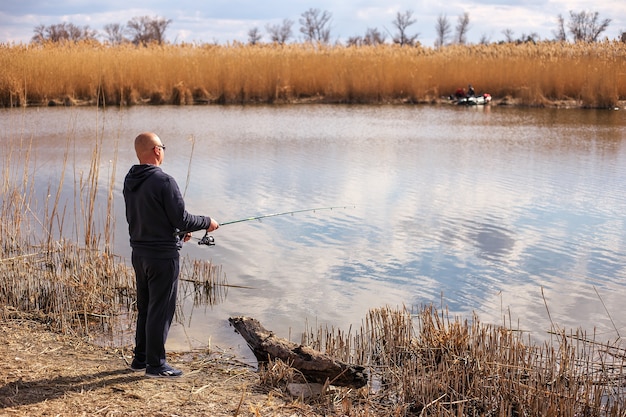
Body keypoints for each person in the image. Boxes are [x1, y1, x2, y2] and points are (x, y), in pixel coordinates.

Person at [123, 132, 219, 378]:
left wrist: (177, 232)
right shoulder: (164, 181)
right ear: (157, 151)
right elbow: (181, 218)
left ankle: (140, 359)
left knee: (146, 308)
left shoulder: (130, 179)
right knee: (160, 309)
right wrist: (207, 222)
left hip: (140, 254)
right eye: (162, 147)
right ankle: (156, 365)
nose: (163, 151)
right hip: (162, 258)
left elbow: (151, 216)